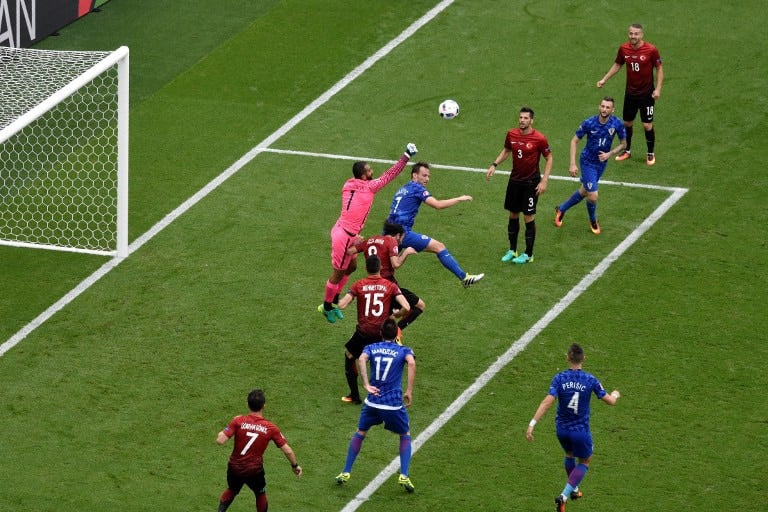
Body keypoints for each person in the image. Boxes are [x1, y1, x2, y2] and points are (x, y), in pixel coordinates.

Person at [319, 142, 418, 324]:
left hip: (347, 232)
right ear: (364, 176)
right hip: (344, 236)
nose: (373, 171)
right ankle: (326, 306)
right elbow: (390, 174)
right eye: (370, 170)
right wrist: (406, 156)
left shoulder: (348, 184)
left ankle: (334, 300)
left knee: (352, 267)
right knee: (338, 273)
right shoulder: (370, 187)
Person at [525, 343, 620, 512]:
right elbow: (610, 401)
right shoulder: (590, 380)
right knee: (585, 460)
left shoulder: (559, 379)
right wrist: (615, 394)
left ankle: (574, 490)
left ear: (567, 358)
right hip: (580, 431)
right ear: (584, 358)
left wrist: (532, 424)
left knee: (569, 454)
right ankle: (564, 496)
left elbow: (547, 403)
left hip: (562, 430)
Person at [335, 318, 417, 492]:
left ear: (380, 333)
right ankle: (404, 474)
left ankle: (346, 471)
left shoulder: (371, 348)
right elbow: (411, 362)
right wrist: (409, 391)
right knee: (405, 434)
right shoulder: (403, 350)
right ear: (396, 334)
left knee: (360, 432)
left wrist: (366, 384)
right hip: (393, 404)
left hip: (372, 401)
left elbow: (361, 359)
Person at [386, 161, 484, 287]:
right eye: (424, 175)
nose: (427, 179)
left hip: (389, 232)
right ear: (415, 175)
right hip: (402, 233)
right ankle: (464, 277)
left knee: (387, 270)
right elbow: (437, 205)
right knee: (439, 247)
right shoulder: (417, 188)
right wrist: (459, 198)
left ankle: (386, 292)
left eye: (428, 176)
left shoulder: (402, 189)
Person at [336, 255, 410, 404]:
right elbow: (407, 307)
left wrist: (333, 297)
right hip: (382, 333)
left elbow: (342, 305)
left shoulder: (358, 285)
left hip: (363, 331)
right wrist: (395, 315)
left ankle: (354, 396)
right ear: (380, 268)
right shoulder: (390, 286)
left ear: (366, 268)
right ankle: (388, 394)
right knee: (387, 360)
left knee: (349, 355)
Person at [486, 106, 553, 265]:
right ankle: (512, 250)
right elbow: (506, 150)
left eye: (525, 118)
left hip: (531, 183)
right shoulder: (512, 134)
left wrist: (544, 181)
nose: (522, 120)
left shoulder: (539, 138)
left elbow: (549, 158)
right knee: (513, 214)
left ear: (531, 120)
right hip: (515, 181)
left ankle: (529, 254)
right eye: (521, 117)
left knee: (528, 216)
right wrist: (494, 164)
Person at [216, 389, 302, 512]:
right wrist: (295, 466)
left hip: (235, 468)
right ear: (264, 406)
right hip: (254, 470)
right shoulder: (270, 427)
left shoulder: (238, 421)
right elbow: (287, 451)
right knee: (260, 493)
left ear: (247, 405)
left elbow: (220, 440)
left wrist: (231, 424)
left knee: (232, 489)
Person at [554, 97, 627, 235]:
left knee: (584, 191)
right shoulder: (589, 123)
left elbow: (624, 144)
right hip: (587, 162)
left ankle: (561, 209)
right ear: (599, 107)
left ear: (612, 110)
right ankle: (593, 220)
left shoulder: (617, 124)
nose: (604, 109)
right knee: (593, 195)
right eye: (603, 106)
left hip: (601, 164)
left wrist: (610, 154)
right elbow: (574, 141)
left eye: (608, 107)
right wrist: (572, 164)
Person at [596, 23, 663, 166]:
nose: (633, 36)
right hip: (630, 93)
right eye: (631, 33)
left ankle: (650, 153)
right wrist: (604, 79)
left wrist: (658, 89)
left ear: (641, 35)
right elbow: (617, 64)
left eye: (636, 34)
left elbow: (659, 68)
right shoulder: (624, 48)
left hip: (646, 94)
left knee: (647, 125)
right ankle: (627, 150)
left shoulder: (651, 50)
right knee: (627, 123)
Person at [347, 221, 425, 337]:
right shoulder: (391, 241)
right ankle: (396, 332)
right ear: (397, 235)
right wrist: (406, 252)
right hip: (388, 286)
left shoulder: (370, 240)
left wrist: (354, 242)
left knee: (385, 317)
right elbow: (395, 264)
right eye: (402, 238)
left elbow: (349, 251)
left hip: (373, 285)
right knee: (419, 306)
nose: (401, 241)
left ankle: (382, 335)